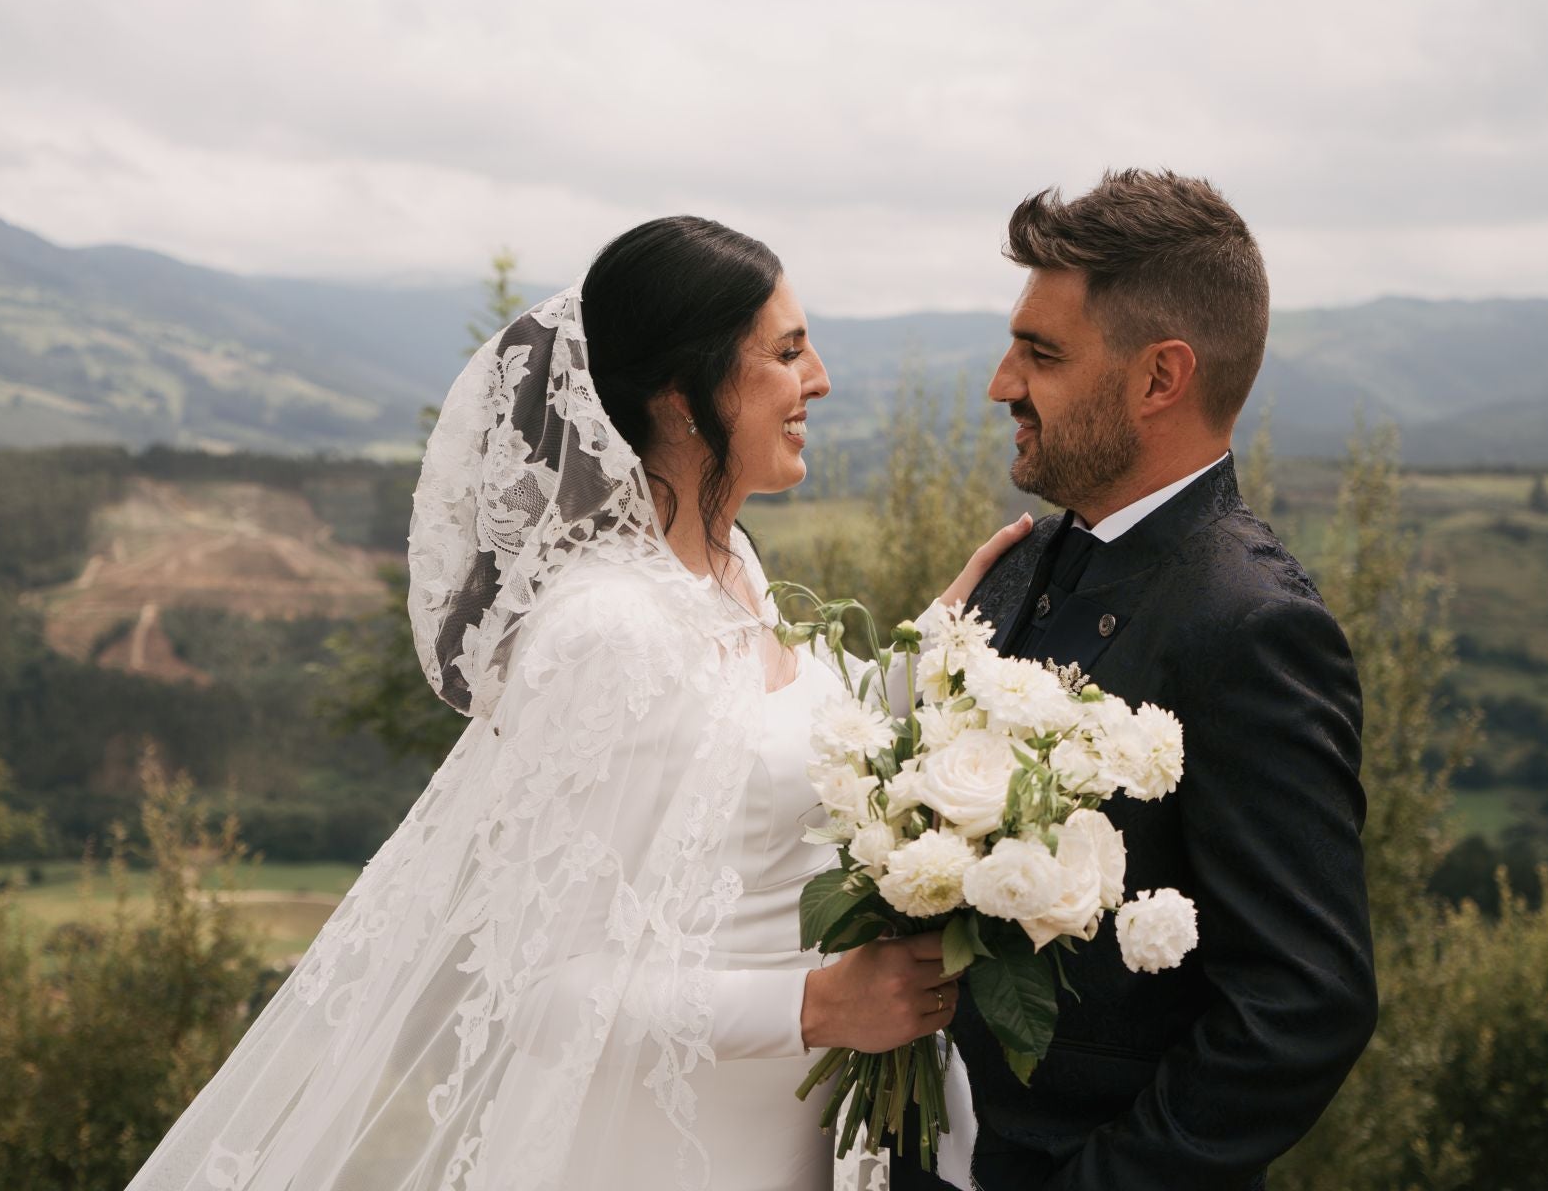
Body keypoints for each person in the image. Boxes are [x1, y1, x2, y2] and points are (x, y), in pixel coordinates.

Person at [126, 215, 1027, 1191]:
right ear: (682, 397)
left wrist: (938, 647)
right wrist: (813, 1005)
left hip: (797, 1124)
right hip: (665, 1149)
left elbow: (764, 758)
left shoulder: (732, 568)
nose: (820, 380)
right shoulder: (604, 633)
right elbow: (544, 987)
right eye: (788, 351)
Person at [892, 171, 1378, 1191]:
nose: (1000, 382)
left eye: (1042, 353)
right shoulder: (1017, 566)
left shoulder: (1255, 624)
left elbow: (1300, 1003)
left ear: (1160, 378)